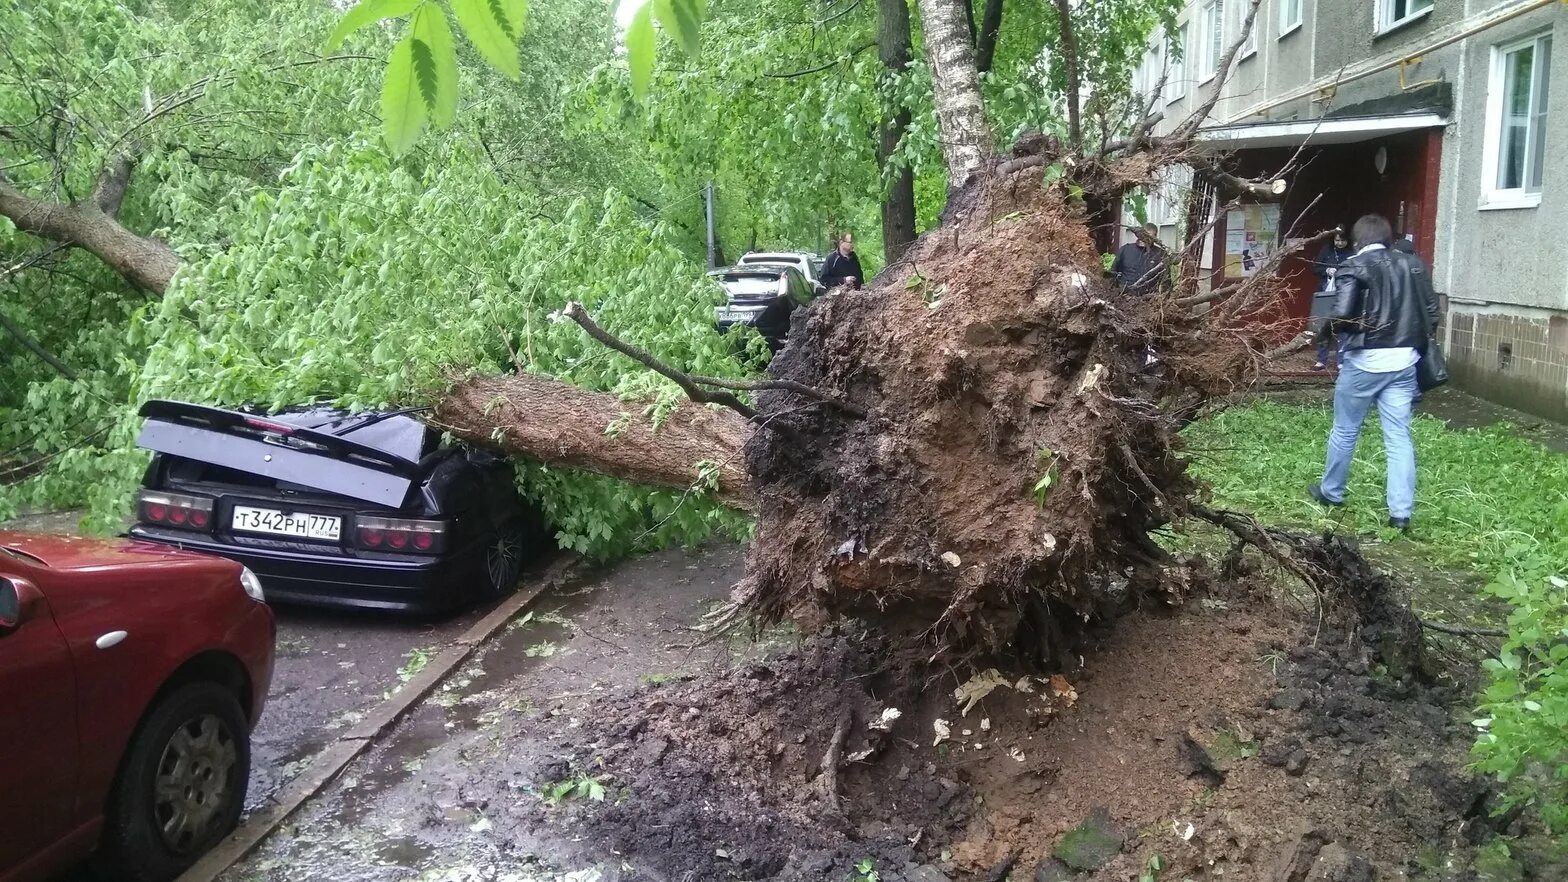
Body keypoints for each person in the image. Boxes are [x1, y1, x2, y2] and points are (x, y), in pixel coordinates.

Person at [1308, 214, 1440, 531]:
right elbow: (1432, 312)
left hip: (1364, 363)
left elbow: (1343, 313)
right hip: (1403, 363)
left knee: (1345, 430)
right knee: (1398, 437)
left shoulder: (1353, 265)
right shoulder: (1413, 264)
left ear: (1358, 241)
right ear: (1388, 238)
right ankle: (1401, 513)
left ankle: (1332, 492)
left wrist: (1322, 333)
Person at [1310, 228, 1356, 370]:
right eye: (1337, 240)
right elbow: (1315, 268)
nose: (1340, 243)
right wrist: (1326, 270)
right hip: (1325, 292)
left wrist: (1341, 272)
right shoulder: (1327, 250)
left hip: (1344, 294)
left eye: (1342, 240)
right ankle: (1321, 360)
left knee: (1342, 327)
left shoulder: (1352, 253)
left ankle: (1341, 360)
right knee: (1323, 325)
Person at [1110, 223, 1167, 296]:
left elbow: (1166, 281)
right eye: (1144, 235)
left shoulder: (1160, 254)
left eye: (1150, 236)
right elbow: (1113, 273)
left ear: (1155, 237)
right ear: (1139, 234)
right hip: (1123, 297)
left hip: (1148, 299)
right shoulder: (1125, 250)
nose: (1146, 239)